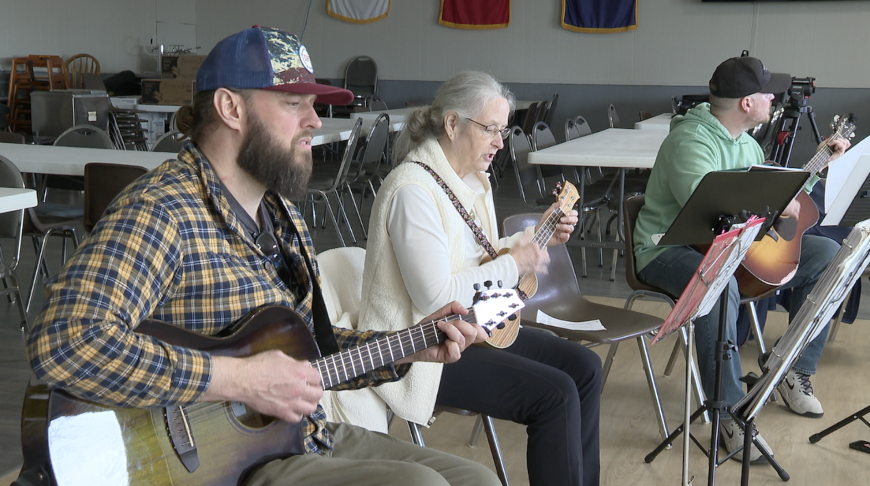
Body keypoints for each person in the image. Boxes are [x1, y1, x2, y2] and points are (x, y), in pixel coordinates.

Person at [25, 26, 503, 486]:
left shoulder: (282, 215)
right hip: (221, 465)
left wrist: (406, 346)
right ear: (231, 107)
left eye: (313, 105)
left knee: (475, 479)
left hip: (303, 436)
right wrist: (238, 379)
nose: (314, 121)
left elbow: (306, 353)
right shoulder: (164, 211)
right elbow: (65, 342)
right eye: (294, 104)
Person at [333, 71, 602, 486]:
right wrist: (516, 263)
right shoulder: (413, 190)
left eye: (503, 129)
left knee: (584, 367)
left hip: (472, 327)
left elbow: (479, 255)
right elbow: (435, 293)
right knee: (556, 396)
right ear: (453, 124)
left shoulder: (471, 181)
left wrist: (531, 240)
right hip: (422, 349)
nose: (500, 141)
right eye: (490, 129)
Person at [633, 56, 850, 463]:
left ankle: (793, 370)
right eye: (767, 92)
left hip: (730, 248)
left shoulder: (747, 142)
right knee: (722, 283)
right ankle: (727, 412)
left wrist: (816, 169)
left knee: (828, 255)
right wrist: (770, 203)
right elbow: (710, 211)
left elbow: (768, 200)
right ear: (747, 104)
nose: (774, 98)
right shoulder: (691, 141)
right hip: (667, 250)